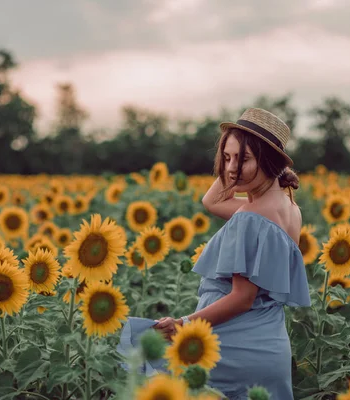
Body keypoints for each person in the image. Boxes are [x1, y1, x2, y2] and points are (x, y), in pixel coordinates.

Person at [117, 108, 311, 400]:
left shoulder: (250, 218)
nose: (231, 168)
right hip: (270, 350)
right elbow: (211, 201)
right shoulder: (290, 211)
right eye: (227, 157)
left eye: (243, 158)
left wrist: (182, 325)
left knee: (143, 360)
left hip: (231, 351)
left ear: (269, 161)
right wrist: (236, 162)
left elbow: (242, 299)